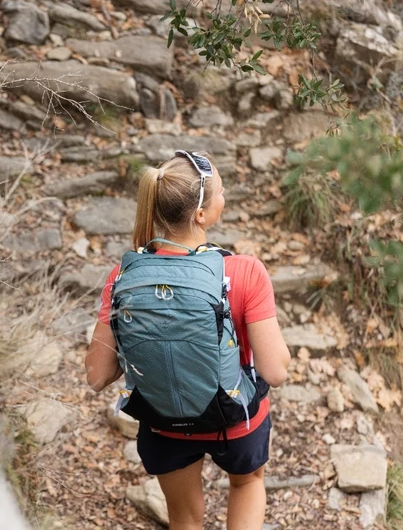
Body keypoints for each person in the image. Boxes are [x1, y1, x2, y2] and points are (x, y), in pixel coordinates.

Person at [85, 151, 291, 530]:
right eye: (221, 193)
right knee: (247, 483)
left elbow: (97, 375)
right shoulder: (244, 271)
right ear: (201, 215)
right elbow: (275, 371)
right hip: (235, 420)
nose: (224, 198)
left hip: (163, 423)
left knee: (184, 518)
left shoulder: (124, 276)